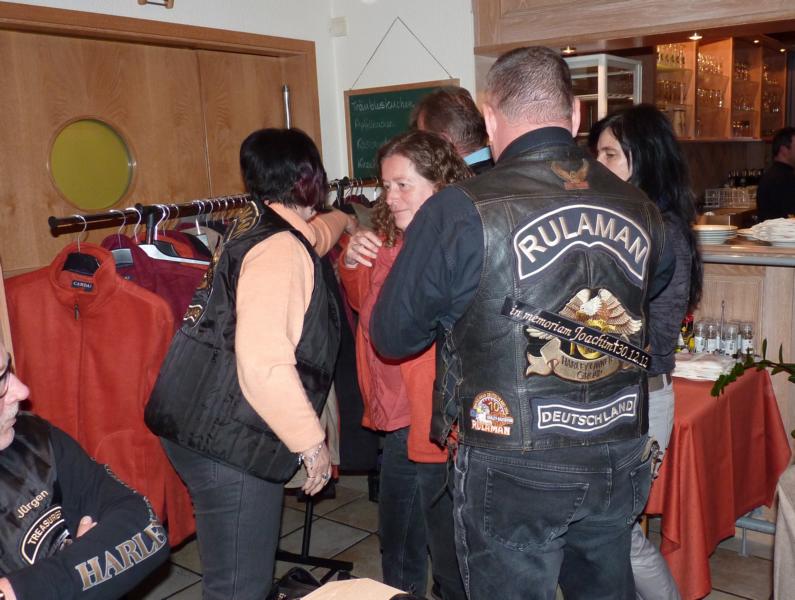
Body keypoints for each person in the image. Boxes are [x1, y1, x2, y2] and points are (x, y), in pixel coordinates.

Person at [371, 46, 675, 600]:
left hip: (512, 455)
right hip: (615, 444)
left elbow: (392, 336)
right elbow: (652, 289)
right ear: (576, 114)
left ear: (490, 118)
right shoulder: (642, 206)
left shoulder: (460, 209)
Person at [145, 128, 350, 600]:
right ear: (310, 179)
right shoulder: (280, 250)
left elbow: (314, 236)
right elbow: (262, 363)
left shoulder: (252, 223)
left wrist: (345, 219)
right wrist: (312, 444)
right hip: (230, 443)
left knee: (230, 570)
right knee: (239, 586)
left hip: (195, 421)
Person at [339, 130, 470, 599]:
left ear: (440, 185)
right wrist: (351, 263)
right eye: (385, 185)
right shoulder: (389, 241)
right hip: (398, 417)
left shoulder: (458, 245)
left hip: (440, 423)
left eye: (403, 185)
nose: (390, 197)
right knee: (397, 539)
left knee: (448, 549)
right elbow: (364, 309)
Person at [591, 104, 704, 600]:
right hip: (614, 398)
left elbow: (655, 338)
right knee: (607, 531)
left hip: (640, 399)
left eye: (610, 155)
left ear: (645, 157)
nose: (597, 165)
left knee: (618, 530)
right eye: (596, 154)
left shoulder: (662, 231)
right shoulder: (621, 221)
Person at [0, 339, 169, 600]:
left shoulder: (34, 437)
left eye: (7, 368)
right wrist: (85, 564)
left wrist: (49, 584)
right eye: (1, 381)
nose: (22, 391)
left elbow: (146, 528)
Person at [411, 86, 494, 173]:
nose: (423, 149)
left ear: (444, 142)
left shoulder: (460, 179)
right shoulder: (501, 167)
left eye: (425, 141)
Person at [757, 126, 795, 221]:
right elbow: (790, 215)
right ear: (783, 150)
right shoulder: (783, 178)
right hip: (781, 230)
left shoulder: (772, 175)